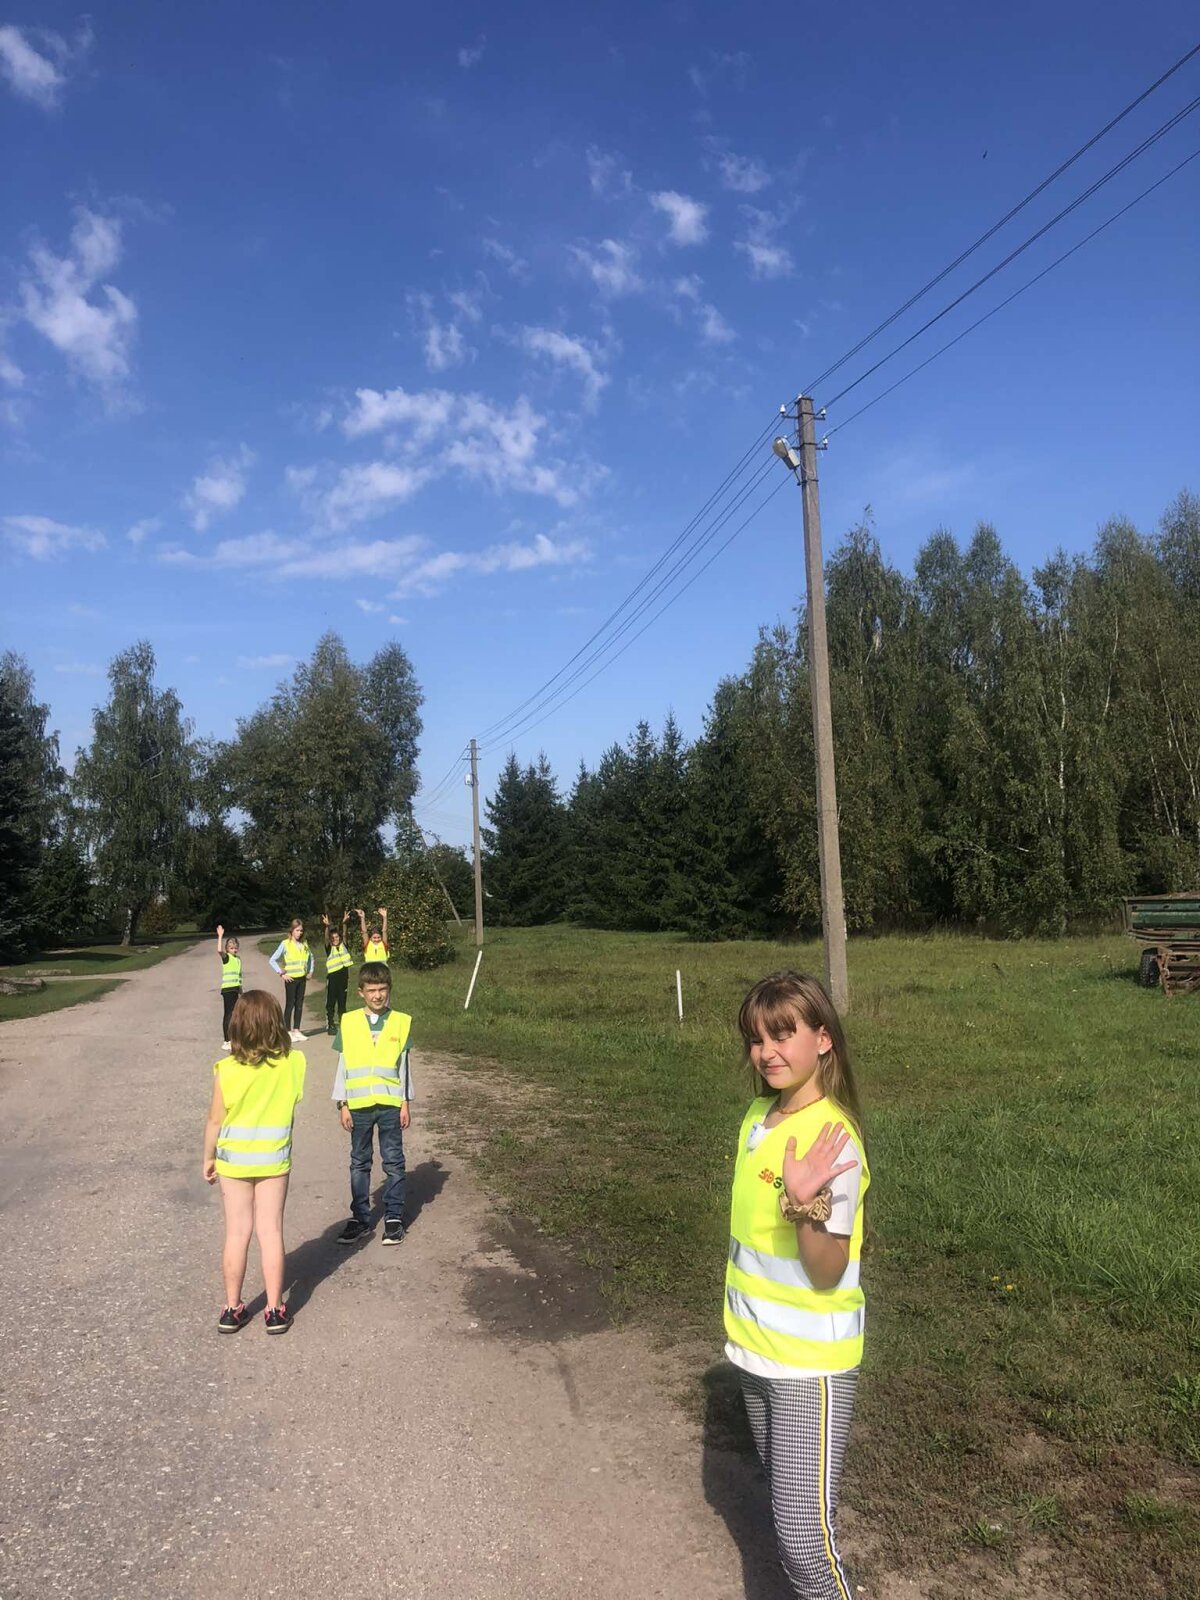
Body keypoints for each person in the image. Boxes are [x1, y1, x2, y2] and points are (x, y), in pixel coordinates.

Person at [725, 971, 870, 1600]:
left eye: (784, 1035)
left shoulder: (831, 1139)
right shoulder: (759, 1116)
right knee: (788, 1518)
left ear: (824, 1039)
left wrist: (804, 1207)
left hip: (809, 1366)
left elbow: (827, 1269)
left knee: (805, 1542)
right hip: (754, 1351)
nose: (768, 1052)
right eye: (757, 1039)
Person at [202, 989, 306, 1335]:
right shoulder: (293, 1064)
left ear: (238, 1026)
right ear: (277, 1023)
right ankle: (275, 1310)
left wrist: (208, 1157)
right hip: (273, 1159)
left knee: (237, 1232)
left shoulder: (226, 1069)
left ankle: (232, 1309)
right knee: (270, 1231)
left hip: (234, 1162)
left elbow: (215, 1120)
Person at [330, 960, 412, 1246]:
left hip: (390, 1105)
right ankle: (361, 1218)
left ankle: (394, 1217)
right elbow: (342, 1066)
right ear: (360, 992)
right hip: (359, 1106)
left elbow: (404, 1067)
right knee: (359, 1162)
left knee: (394, 1161)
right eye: (371, 990)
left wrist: (405, 1102)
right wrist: (342, 1103)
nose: (377, 995)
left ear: (389, 989)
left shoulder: (401, 1021)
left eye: (382, 989)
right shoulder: (349, 1021)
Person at [268, 918, 314, 1042]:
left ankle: (296, 1030)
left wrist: (310, 971)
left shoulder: (304, 944)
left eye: (301, 931)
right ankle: (287, 1031)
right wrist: (281, 974)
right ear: (292, 930)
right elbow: (272, 960)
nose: (299, 933)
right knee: (290, 1004)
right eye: (297, 930)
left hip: (302, 978)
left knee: (299, 1004)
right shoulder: (285, 943)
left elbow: (311, 957)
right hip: (291, 979)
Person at [321, 910, 353, 1036]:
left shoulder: (344, 945)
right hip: (333, 979)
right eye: (333, 938)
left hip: (343, 979)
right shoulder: (329, 948)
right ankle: (330, 1024)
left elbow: (345, 934)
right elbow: (326, 938)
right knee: (331, 1002)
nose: (335, 939)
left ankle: (342, 1022)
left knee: (342, 1002)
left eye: (337, 937)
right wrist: (327, 927)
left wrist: (345, 923)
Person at [215, 924, 241, 1048]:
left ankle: (234, 1038)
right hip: (228, 989)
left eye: (235, 948)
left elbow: (239, 975)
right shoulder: (227, 958)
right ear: (227, 949)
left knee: (235, 1014)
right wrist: (220, 936)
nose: (233, 950)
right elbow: (219, 951)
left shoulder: (238, 959)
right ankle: (227, 1040)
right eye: (231, 948)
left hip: (235, 989)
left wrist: (240, 988)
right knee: (228, 1014)